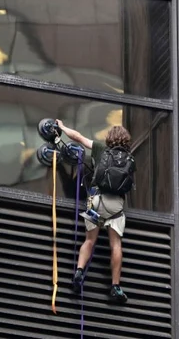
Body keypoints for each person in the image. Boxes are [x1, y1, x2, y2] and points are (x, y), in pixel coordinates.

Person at [56, 119, 132, 303]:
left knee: (90, 240)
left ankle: (79, 272)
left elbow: (79, 138)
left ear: (109, 139)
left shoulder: (100, 149)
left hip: (95, 200)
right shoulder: (129, 158)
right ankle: (115, 287)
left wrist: (63, 128)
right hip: (116, 206)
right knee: (115, 245)